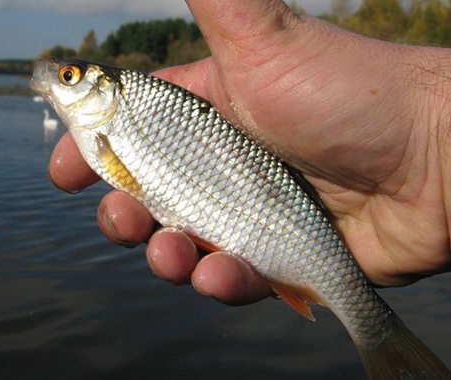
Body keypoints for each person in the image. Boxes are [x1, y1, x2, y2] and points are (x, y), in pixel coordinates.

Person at [48, 0, 451, 306]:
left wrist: (428, 139)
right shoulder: (109, 124)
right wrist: (429, 144)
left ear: (104, 89)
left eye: (69, 76)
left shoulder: (114, 120)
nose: (58, 77)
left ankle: (365, 320)